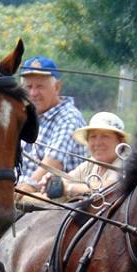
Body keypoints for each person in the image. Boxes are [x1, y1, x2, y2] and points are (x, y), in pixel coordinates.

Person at [17, 56, 87, 195]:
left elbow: (53, 164)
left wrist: (25, 188)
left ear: (57, 87)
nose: (33, 93)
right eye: (28, 87)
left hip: (53, 199)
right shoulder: (25, 115)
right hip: (20, 191)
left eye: (40, 86)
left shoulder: (68, 117)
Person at [44, 111, 127, 200]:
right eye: (93, 137)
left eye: (105, 136)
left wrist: (67, 188)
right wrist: (51, 181)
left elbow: (109, 189)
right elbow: (66, 180)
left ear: (120, 141)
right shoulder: (91, 163)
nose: (97, 143)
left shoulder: (126, 164)